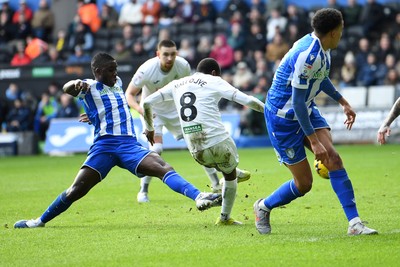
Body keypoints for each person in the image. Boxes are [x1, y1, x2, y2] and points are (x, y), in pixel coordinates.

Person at [13, 52, 222, 229]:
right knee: (76, 190)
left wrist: (95, 115)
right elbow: (68, 88)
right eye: (111, 71)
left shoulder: (118, 83)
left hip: (129, 144)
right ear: (97, 72)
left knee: (162, 166)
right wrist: (74, 84)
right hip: (104, 146)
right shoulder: (89, 86)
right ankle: (38, 222)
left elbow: (114, 105)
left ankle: (199, 196)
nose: (115, 74)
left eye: (116, 69)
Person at [253, 8, 378, 236]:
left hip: (306, 109)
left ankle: (355, 223)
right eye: (340, 31)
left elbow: (320, 79)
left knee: (334, 159)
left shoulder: (323, 48)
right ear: (332, 32)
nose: (342, 34)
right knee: (304, 184)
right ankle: (263, 206)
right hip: (283, 119)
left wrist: (342, 101)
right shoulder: (307, 55)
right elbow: (297, 102)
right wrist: (314, 141)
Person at [142, 58, 265, 225]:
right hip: (218, 140)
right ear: (214, 73)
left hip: (195, 148)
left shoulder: (177, 84)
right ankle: (224, 218)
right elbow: (248, 100)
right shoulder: (214, 80)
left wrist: (150, 128)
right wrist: (269, 112)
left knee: (215, 163)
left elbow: (147, 102)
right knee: (229, 174)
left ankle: (232, 174)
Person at [125, 40, 250, 203]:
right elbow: (129, 94)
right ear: (158, 55)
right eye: (165, 54)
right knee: (157, 148)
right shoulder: (146, 69)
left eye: (173, 54)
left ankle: (215, 184)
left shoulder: (183, 66)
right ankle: (143, 191)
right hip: (153, 110)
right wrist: (142, 110)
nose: (170, 58)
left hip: (176, 110)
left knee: (198, 141)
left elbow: (191, 89)